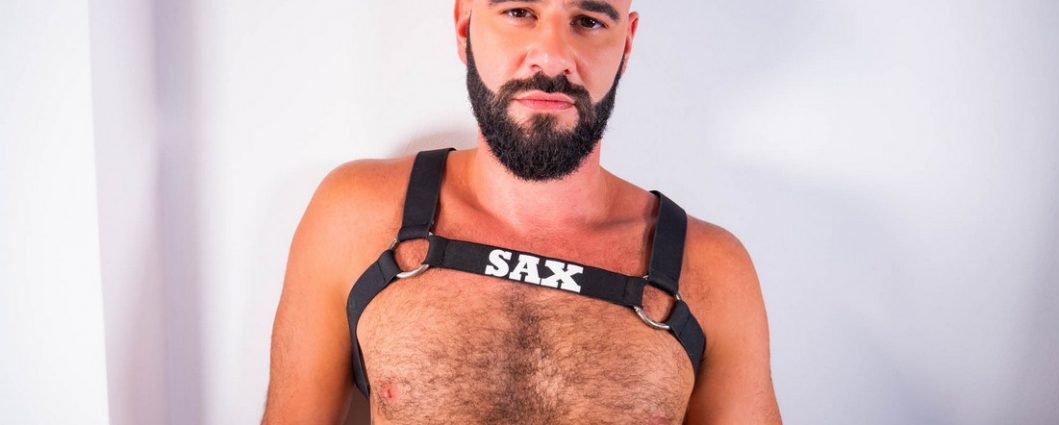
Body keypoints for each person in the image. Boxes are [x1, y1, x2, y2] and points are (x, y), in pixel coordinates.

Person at [262, 0, 782, 423]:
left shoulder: (712, 269)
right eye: (519, 12)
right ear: (464, 25)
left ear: (626, 44)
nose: (552, 59)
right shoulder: (356, 216)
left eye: (588, 21)